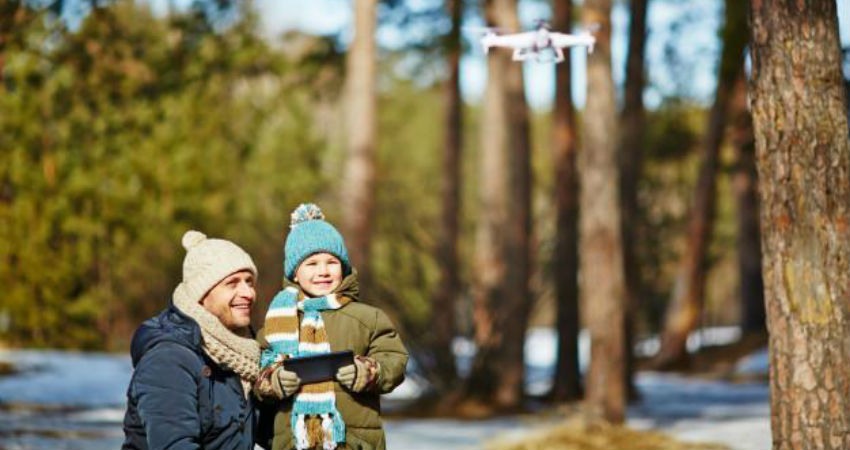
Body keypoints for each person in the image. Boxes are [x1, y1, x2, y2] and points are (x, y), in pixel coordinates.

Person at [253, 203, 408, 450]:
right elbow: (258, 371)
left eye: (332, 262)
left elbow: (394, 359)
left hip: (353, 441)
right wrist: (273, 381)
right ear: (294, 273)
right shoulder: (278, 321)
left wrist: (367, 372)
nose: (323, 271)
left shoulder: (367, 318)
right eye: (311, 264)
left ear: (344, 267)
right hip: (294, 441)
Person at [122, 230, 262, 450]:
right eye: (233, 283)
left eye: (249, 282)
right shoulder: (169, 360)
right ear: (202, 294)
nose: (248, 293)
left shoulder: (245, 357)